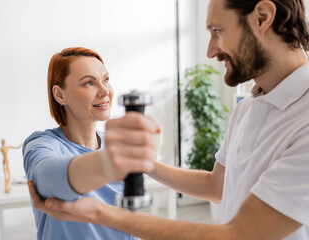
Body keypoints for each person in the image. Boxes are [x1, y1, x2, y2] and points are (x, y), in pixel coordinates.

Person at [28, 0, 309, 239]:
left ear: (262, 17)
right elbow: (218, 186)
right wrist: (142, 162)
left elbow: (239, 234)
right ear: (59, 94)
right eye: (88, 82)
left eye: (217, 31)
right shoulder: (248, 107)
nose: (210, 51)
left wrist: (102, 211)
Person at [22, 47, 160, 240]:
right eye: (88, 83)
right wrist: (111, 162)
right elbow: (47, 177)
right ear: (60, 95)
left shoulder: (115, 145)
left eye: (106, 80)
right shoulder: (42, 144)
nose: (105, 92)